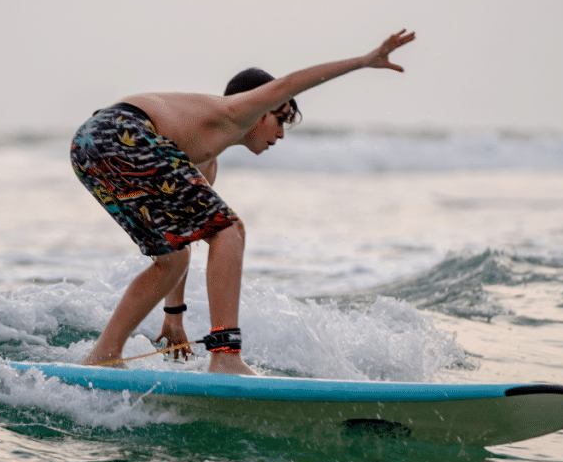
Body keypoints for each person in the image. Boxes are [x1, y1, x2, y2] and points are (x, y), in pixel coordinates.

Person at [71, 29, 416, 374]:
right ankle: (225, 356)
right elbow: (289, 83)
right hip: (124, 133)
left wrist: (174, 315)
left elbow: (182, 237)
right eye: (279, 118)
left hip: (89, 145)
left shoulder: (201, 158)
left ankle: (104, 355)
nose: (281, 133)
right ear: (261, 107)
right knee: (230, 229)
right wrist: (363, 61)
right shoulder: (236, 111)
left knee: (174, 258)